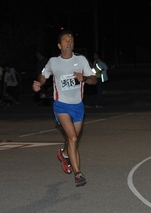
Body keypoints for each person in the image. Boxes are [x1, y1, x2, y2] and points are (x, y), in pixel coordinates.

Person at [32, 30, 97, 187]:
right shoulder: (53, 62)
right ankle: (78, 174)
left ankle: (64, 154)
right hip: (61, 105)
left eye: (71, 40)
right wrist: (39, 83)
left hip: (78, 106)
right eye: (66, 40)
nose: (69, 42)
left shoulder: (81, 60)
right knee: (73, 137)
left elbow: (94, 80)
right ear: (60, 45)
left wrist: (85, 78)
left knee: (71, 138)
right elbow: (44, 75)